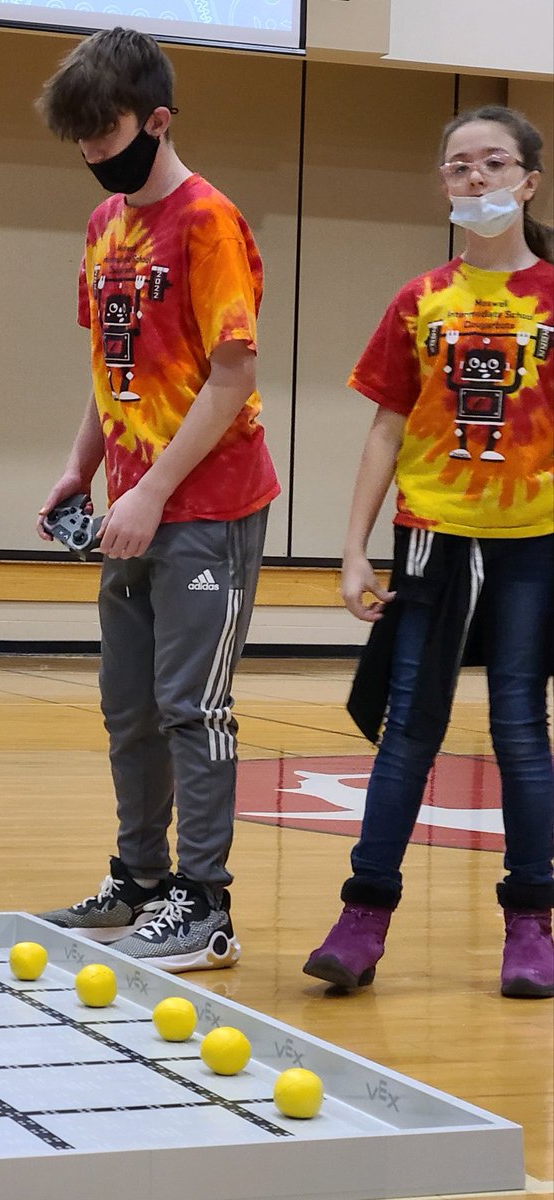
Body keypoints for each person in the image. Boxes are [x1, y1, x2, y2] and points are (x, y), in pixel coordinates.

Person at [34, 28, 279, 972]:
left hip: (207, 507)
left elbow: (231, 377)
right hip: (133, 504)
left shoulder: (209, 223)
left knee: (192, 705)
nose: (95, 153)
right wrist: (79, 470)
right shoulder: (104, 231)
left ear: (157, 120)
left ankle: (204, 903)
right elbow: (114, 373)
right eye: (83, 140)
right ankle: (139, 880)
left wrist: (156, 492)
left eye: (107, 132)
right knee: (127, 707)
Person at [303, 105, 554, 999]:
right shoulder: (420, 301)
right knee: (407, 732)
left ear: (529, 180)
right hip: (430, 542)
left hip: (532, 549)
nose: (476, 180)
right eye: (459, 168)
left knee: (523, 734)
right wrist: (353, 551)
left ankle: (531, 923)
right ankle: (362, 917)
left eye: (494, 164)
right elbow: (384, 428)